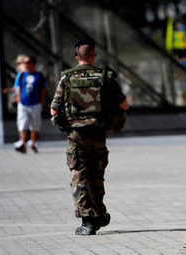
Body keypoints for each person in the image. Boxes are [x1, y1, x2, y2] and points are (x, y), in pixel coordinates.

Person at [50, 38, 129, 235]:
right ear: (94, 55)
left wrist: (66, 124)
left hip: (76, 135)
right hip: (98, 133)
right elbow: (124, 105)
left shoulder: (66, 78)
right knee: (96, 176)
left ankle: (88, 220)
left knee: (79, 176)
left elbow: (54, 110)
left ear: (77, 55)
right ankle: (99, 214)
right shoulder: (104, 77)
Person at [14, 55, 45, 153]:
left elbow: (42, 90)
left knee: (34, 124)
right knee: (22, 123)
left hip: (35, 104)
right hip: (23, 104)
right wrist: (19, 101)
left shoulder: (39, 75)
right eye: (24, 63)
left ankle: (33, 143)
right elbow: (19, 89)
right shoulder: (22, 75)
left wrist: (41, 103)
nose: (25, 65)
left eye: (27, 63)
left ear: (33, 64)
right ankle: (23, 143)